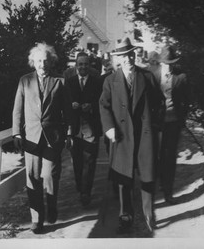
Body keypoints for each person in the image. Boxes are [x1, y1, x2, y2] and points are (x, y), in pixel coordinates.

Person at [99, 37, 164, 234]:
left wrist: (154, 125)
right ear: (117, 59)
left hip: (145, 136)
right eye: (123, 56)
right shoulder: (110, 81)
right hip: (122, 136)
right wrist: (109, 128)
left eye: (130, 54)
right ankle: (125, 215)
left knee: (147, 176)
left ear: (134, 54)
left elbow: (159, 103)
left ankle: (148, 214)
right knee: (123, 178)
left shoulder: (147, 77)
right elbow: (103, 106)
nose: (128, 59)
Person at [12, 42, 73, 234]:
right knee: (33, 178)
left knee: (50, 176)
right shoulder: (24, 81)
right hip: (31, 138)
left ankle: (52, 206)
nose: (42, 65)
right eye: (38, 61)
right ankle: (37, 219)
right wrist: (16, 132)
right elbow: (17, 110)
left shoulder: (60, 82)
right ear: (33, 62)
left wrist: (69, 133)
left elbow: (68, 111)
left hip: (52, 138)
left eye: (45, 61)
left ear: (51, 62)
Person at [149, 45, 190, 204]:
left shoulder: (182, 77)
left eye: (172, 63)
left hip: (173, 122)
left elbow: (187, 100)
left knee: (170, 156)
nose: (169, 66)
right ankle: (159, 182)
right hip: (156, 123)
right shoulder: (153, 75)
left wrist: (182, 118)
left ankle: (168, 191)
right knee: (156, 155)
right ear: (161, 62)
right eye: (166, 62)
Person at [66, 52, 103, 206]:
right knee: (77, 162)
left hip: (91, 129)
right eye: (80, 64)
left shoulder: (97, 82)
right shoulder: (70, 82)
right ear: (76, 66)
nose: (83, 67)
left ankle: (86, 192)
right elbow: (65, 105)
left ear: (90, 66)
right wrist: (71, 105)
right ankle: (80, 186)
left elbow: (102, 103)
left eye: (85, 64)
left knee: (90, 161)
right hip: (75, 129)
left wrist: (92, 106)